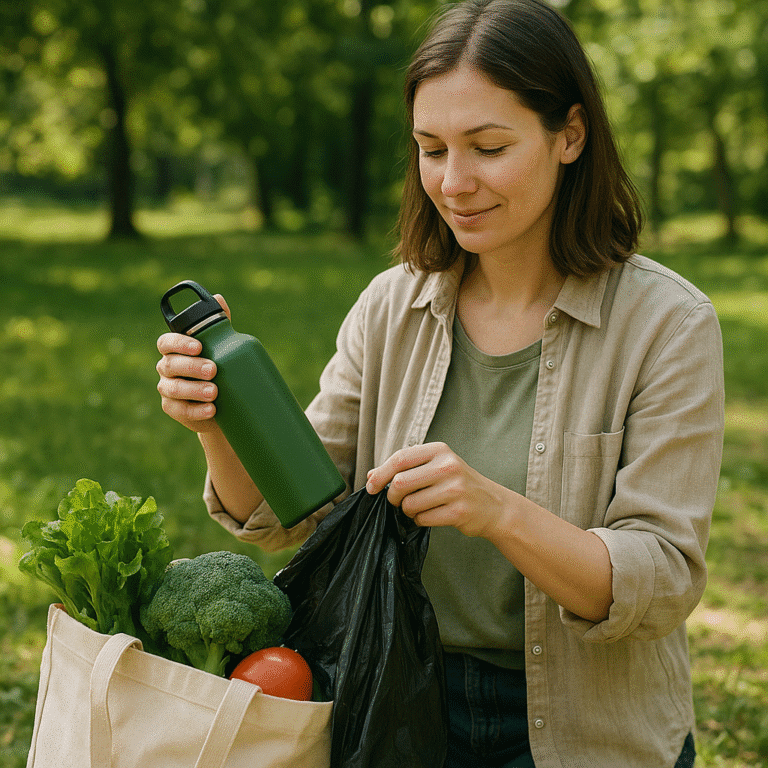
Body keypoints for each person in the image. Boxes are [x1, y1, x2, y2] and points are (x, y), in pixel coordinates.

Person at [156, 0, 724, 765]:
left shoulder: (668, 324)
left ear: (571, 136)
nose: (454, 183)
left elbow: (658, 581)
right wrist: (219, 426)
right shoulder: (393, 304)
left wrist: (497, 510)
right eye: (431, 149)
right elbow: (292, 513)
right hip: (390, 695)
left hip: (590, 725)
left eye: (488, 147)